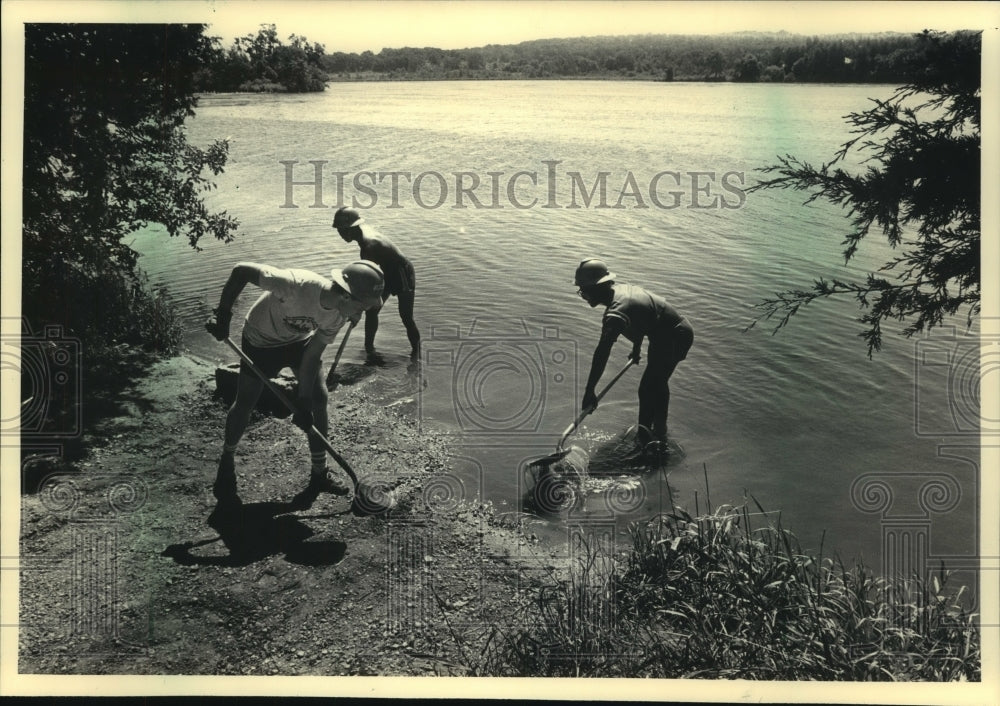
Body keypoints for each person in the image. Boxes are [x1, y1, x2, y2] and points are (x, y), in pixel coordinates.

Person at [204, 260, 385, 502]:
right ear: (346, 297)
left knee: (319, 397)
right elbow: (241, 271)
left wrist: (303, 402)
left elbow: (311, 357)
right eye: (362, 308)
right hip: (260, 340)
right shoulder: (294, 284)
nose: (360, 316)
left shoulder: (338, 317)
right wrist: (224, 316)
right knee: (246, 401)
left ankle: (319, 473)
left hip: (298, 341)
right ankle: (227, 459)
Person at [575, 258, 694, 459]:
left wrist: (589, 392)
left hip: (675, 335)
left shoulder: (616, 311)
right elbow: (643, 317)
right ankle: (660, 431)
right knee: (657, 382)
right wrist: (637, 347)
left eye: (584, 290)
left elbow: (602, 352)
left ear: (598, 288)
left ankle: (645, 441)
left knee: (648, 388)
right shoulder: (620, 292)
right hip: (665, 332)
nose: (582, 295)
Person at [333, 207, 421, 363]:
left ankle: (417, 357)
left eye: (342, 230)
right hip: (385, 271)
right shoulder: (362, 234)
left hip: (402, 272)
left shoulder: (368, 245)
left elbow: (366, 280)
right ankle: (369, 350)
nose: (340, 235)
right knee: (372, 311)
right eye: (339, 231)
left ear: (353, 228)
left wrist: (357, 307)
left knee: (406, 316)